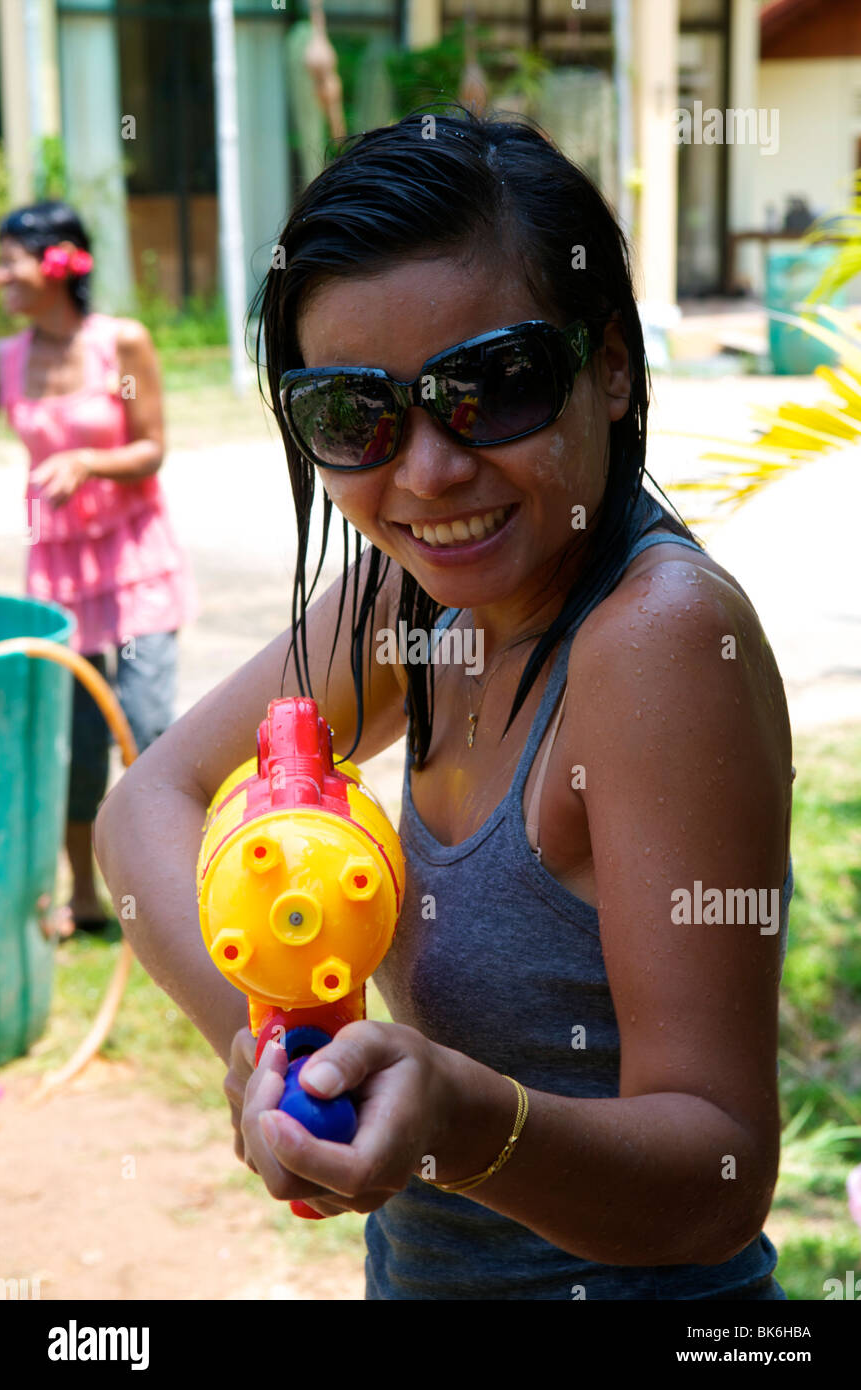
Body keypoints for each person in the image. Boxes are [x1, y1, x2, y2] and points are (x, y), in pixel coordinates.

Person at [94, 109, 794, 1300]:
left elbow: (718, 1170)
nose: (426, 471)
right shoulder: (405, 600)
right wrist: (262, 1049)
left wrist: (467, 1125)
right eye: (351, 414)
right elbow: (148, 802)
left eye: (495, 383)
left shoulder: (660, 643)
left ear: (609, 364)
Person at [0, 201, 195, 935]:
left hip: (133, 561)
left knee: (147, 732)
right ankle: (82, 897)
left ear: (59, 263)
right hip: (58, 573)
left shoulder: (122, 345)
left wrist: (87, 460)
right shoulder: (10, 358)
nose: (1, 275)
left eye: (11, 259)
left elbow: (152, 446)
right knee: (75, 743)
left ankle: (178, 891)